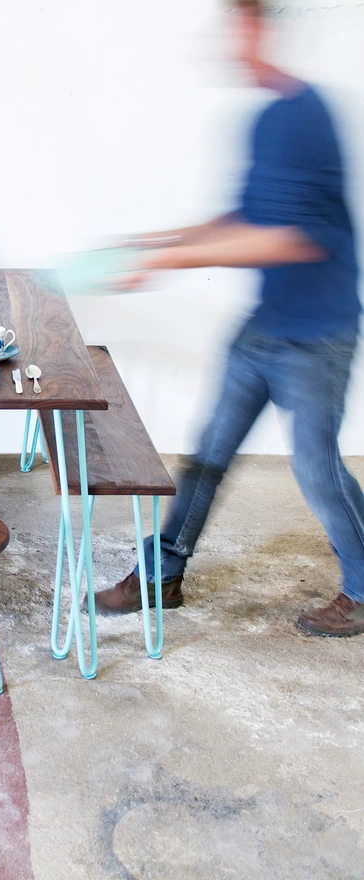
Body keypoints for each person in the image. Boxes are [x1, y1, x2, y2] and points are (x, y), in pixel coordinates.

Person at [94, 0, 364, 637]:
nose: (228, 41)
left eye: (240, 27)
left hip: (317, 331)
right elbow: (242, 216)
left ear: (266, 30)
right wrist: (158, 240)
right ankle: (162, 576)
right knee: (207, 454)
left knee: (316, 469)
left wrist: (174, 262)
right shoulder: (267, 117)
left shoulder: (307, 114)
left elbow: (288, 238)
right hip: (266, 324)